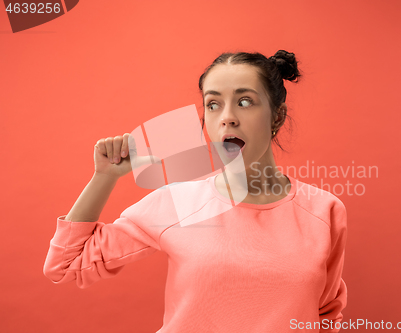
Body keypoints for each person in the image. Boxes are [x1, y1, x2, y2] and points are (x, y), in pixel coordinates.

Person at [43, 50, 348, 333]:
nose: (226, 116)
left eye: (244, 101)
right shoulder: (178, 203)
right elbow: (66, 265)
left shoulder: (323, 211)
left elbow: (326, 315)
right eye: (213, 104)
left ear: (277, 117)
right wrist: (104, 177)